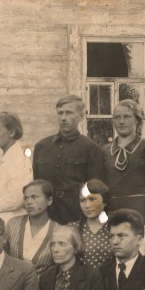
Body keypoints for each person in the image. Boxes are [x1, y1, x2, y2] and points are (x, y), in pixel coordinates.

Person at [32, 95, 104, 224]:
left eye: (69, 113)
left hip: (75, 214)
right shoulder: (42, 146)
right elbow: (36, 184)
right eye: (60, 113)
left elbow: (94, 190)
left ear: (80, 116)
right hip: (46, 213)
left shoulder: (90, 148)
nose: (63, 118)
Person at [102, 100, 145, 222]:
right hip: (111, 214)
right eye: (117, 117)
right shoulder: (105, 150)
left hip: (139, 213)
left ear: (137, 120)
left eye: (127, 117)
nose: (121, 121)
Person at [0, 112, 31, 224]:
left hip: (12, 224)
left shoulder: (19, 160)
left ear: (11, 132)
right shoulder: (3, 158)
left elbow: (15, 199)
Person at [5, 180, 61, 277]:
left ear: (49, 200)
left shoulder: (58, 230)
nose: (29, 202)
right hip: (11, 283)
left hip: (42, 285)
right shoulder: (12, 224)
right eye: (26, 198)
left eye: (34, 197)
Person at [77, 179, 112, 269]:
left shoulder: (115, 227)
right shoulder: (73, 228)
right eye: (82, 200)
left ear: (105, 201)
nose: (87, 205)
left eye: (92, 199)